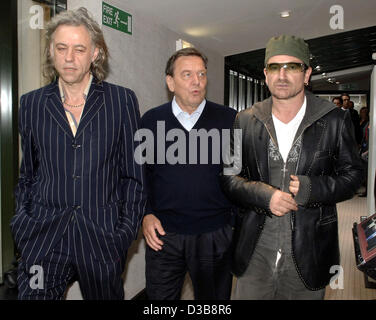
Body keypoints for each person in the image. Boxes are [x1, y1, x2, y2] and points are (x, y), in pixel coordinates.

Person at [11, 8, 146, 300]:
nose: (69, 58)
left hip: (102, 241)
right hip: (43, 240)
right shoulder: (31, 104)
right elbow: (28, 174)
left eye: (79, 49)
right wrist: (23, 223)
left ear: (96, 53)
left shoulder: (121, 101)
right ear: (51, 51)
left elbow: (134, 176)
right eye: (61, 48)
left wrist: (123, 235)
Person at [220, 35, 363, 300]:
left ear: (307, 74)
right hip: (255, 250)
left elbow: (354, 176)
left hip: (309, 251)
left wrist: (313, 188)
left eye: (292, 67)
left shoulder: (334, 120)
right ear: (265, 74)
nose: (282, 74)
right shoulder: (246, 120)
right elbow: (229, 177)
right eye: (274, 67)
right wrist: (266, 196)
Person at [141, 47, 237, 300]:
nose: (197, 81)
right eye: (187, 75)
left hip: (214, 235)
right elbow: (140, 176)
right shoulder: (150, 121)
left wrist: (233, 228)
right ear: (170, 82)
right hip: (163, 235)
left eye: (202, 74)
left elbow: (238, 177)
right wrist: (146, 214)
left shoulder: (229, 120)